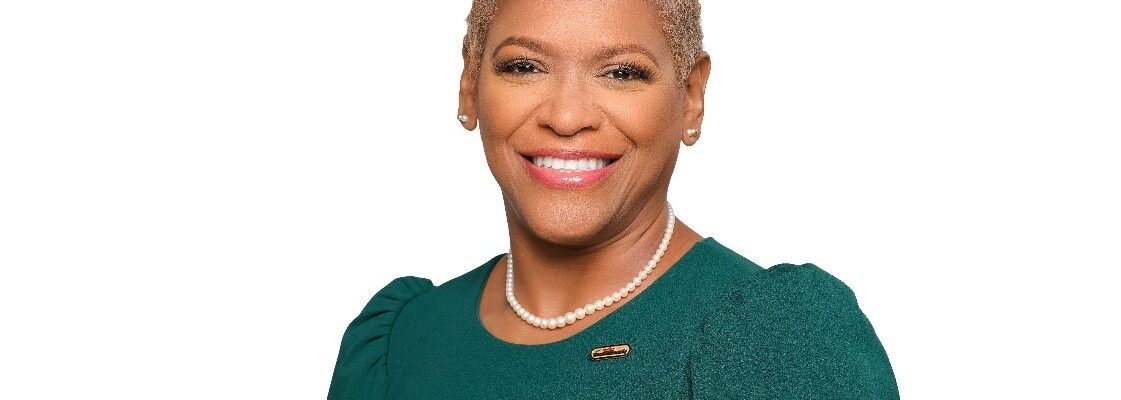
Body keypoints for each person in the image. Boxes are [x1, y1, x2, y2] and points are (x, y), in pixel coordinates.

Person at [327, 0, 898, 398]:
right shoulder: (402, 339)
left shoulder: (777, 340)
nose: (566, 116)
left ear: (691, 97)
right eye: (524, 66)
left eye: (622, 73)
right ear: (469, 83)